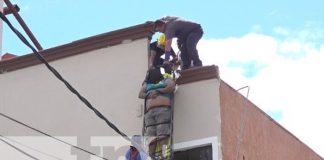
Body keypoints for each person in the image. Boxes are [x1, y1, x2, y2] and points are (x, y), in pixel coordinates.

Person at [138, 67, 176, 158]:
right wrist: (149, 94)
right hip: (149, 113)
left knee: (162, 135)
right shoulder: (147, 84)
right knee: (151, 137)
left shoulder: (165, 80)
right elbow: (140, 94)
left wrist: (158, 91)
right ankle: (151, 157)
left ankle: (164, 156)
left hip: (162, 111)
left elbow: (171, 86)